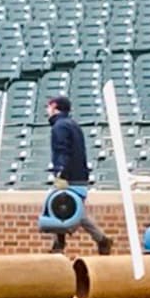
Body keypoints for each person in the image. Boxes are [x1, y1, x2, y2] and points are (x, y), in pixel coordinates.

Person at [47, 95, 112, 256]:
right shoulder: (73, 125)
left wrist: (60, 172)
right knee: (69, 208)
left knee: (60, 207)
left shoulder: (60, 126)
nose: (47, 111)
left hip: (69, 176)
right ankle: (60, 244)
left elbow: (62, 151)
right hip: (79, 174)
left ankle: (60, 245)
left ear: (54, 107)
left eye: (48, 107)